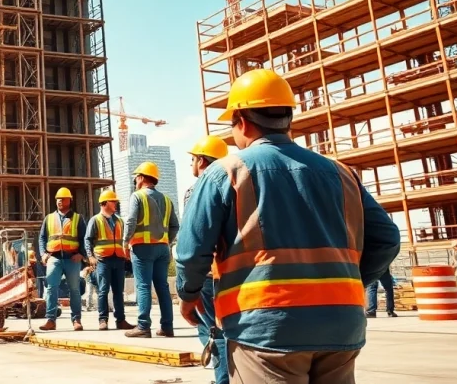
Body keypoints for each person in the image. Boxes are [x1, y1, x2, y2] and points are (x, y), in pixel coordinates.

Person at [176, 68, 400, 383]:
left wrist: (188, 297)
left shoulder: (225, 173)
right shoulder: (341, 173)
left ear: (241, 120)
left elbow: (191, 251)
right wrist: (343, 284)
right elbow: (387, 239)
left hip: (267, 328)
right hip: (341, 325)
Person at [179, 134, 230, 384]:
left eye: (192, 160)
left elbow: (192, 242)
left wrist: (187, 291)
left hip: (211, 275)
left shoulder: (196, 191)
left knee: (212, 330)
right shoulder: (238, 183)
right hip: (237, 273)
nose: (191, 165)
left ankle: (223, 380)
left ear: (201, 160)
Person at [123, 162, 178, 338]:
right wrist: (166, 241)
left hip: (142, 249)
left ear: (140, 177)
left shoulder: (137, 196)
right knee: (162, 287)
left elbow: (131, 221)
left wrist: (125, 242)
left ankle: (143, 326)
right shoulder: (167, 200)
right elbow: (175, 225)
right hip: (162, 249)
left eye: (135, 178)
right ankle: (167, 327)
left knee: (144, 286)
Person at [39, 187, 87, 331]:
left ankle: (76, 320)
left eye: (63, 198)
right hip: (54, 258)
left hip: (72, 258)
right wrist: (43, 254)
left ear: (69, 200)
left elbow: (85, 239)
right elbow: (42, 238)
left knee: (74, 290)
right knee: (51, 288)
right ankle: (50, 320)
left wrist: (81, 254)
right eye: (58, 199)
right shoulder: (49, 218)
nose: (60, 201)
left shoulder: (78, 218)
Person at [84, 189, 133, 331]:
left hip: (118, 259)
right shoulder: (95, 220)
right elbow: (88, 240)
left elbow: (124, 239)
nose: (116, 204)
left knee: (119, 291)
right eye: (113, 201)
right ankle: (103, 320)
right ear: (104, 203)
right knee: (103, 290)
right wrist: (90, 256)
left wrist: (127, 253)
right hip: (103, 261)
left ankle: (121, 320)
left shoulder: (119, 221)